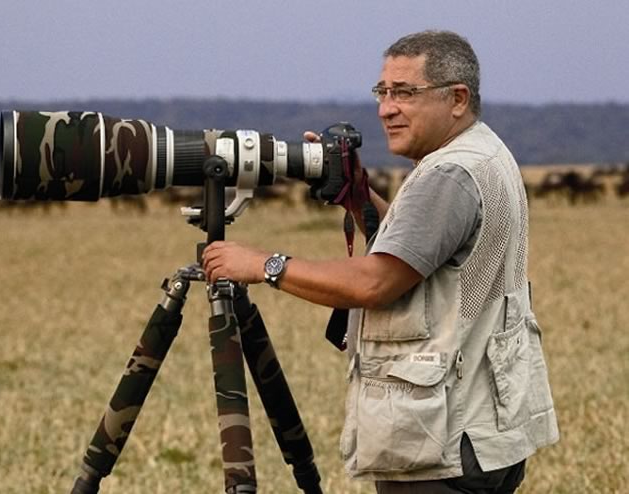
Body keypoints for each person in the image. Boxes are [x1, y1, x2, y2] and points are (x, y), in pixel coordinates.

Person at [203, 30, 558, 493]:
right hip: (485, 430)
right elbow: (425, 253)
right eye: (383, 91)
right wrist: (359, 201)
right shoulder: (483, 153)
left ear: (457, 98)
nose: (386, 108)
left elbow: (376, 283)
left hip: (445, 444)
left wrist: (263, 265)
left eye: (405, 93)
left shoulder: (447, 174)